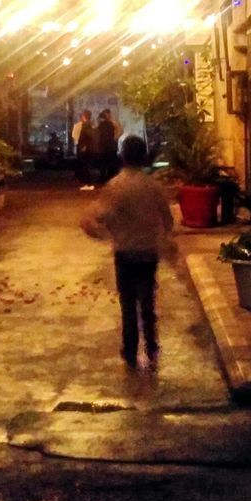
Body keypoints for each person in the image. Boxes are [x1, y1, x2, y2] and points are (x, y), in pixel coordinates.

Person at [80, 134, 174, 370]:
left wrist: (105, 234)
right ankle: (152, 346)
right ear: (143, 157)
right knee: (148, 301)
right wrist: (161, 238)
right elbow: (168, 220)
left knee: (128, 303)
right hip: (148, 252)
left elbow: (96, 219)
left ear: (122, 156)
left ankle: (130, 349)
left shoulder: (115, 186)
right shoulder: (153, 186)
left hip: (125, 252)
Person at [71, 108, 96, 189]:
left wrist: (83, 145)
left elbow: (84, 136)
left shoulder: (85, 125)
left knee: (84, 166)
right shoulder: (91, 125)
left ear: (83, 116)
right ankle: (87, 183)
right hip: (88, 147)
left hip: (84, 148)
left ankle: (87, 183)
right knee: (86, 165)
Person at [95, 109, 118, 183]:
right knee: (110, 163)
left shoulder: (101, 125)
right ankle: (110, 177)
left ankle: (103, 178)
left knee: (103, 164)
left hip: (103, 147)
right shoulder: (111, 124)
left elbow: (98, 135)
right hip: (111, 146)